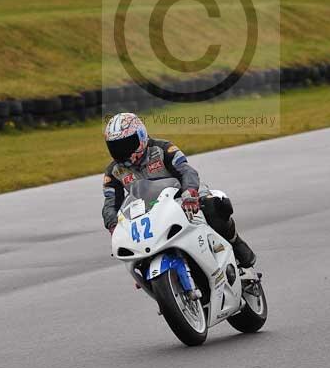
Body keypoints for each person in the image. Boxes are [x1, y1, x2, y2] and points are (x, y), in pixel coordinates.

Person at [102, 112, 256, 268]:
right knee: (133, 247)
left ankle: (235, 243)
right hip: (148, 211)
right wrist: (113, 224)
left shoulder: (162, 148)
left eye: (127, 144)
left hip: (183, 196)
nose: (123, 152)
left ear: (141, 136)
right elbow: (110, 203)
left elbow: (186, 171)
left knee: (213, 206)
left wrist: (189, 193)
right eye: (116, 147)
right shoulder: (114, 171)